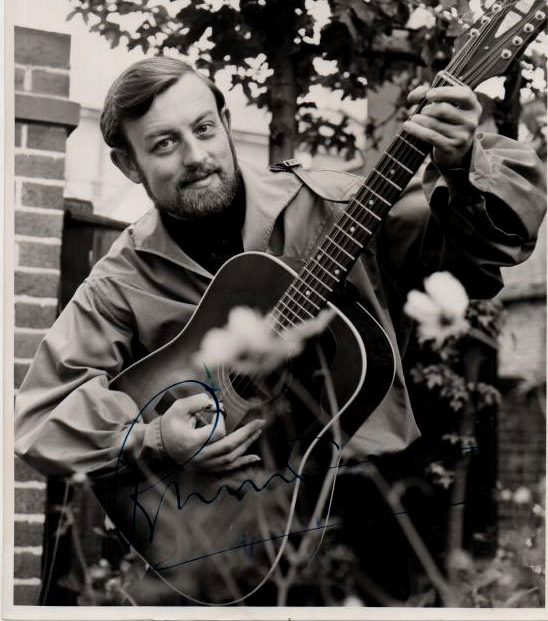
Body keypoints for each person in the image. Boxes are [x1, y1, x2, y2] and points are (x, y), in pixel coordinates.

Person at [13, 58, 546, 604]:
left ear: (225, 122)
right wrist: (153, 439)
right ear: (129, 164)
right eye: (165, 144)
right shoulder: (120, 280)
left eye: (204, 128)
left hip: (370, 519)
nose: (196, 156)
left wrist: (461, 167)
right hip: (219, 542)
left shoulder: (335, 207)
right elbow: (38, 418)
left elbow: (478, 255)